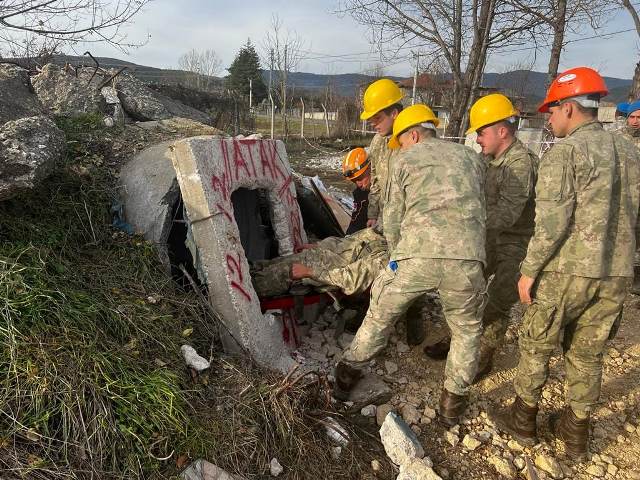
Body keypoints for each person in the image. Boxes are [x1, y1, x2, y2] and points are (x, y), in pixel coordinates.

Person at [490, 67, 640, 459]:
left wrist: (528, 271)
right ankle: (576, 432)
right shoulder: (630, 151)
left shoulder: (565, 154)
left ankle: (524, 418)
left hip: (566, 271)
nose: (549, 120)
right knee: (589, 352)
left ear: (570, 108)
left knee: (537, 343)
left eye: (551, 113)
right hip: (617, 271)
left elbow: (551, 224)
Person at [335, 104, 488, 427]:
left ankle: (344, 379)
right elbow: (480, 205)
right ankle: (452, 404)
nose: (400, 147)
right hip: (467, 259)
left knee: (379, 315)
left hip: (416, 255)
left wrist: (395, 256)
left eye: (401, 141)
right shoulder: (472, 158)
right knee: (467, 330)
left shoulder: (405, 161)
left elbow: (391, 218)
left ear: (414, 135)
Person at [424, 94, 538, 381]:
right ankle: (457, 339)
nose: (477, 139)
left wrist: (467, 222)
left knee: (498, 301)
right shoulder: (489, 160)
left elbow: (508, 215)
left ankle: (484, 354)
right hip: (488, 235)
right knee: (467, 289)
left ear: (503, 130)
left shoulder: (520, 163)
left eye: (481, 132)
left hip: (516, 242)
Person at [359, 78, 403, 230]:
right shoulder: (378, 141)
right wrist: (372, 214)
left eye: (378, 118)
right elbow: (375, 180)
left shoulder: (412, 142)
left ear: (394, 113)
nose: (373, 124)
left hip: (405, 224)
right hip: (384, 220)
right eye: (371, 119)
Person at [342, 147, 372, 235]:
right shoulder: (361, 194)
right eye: (354, 181)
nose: (358, 184)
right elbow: (356, 224)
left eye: (360, 178)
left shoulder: (388, 188)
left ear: (369, 167)